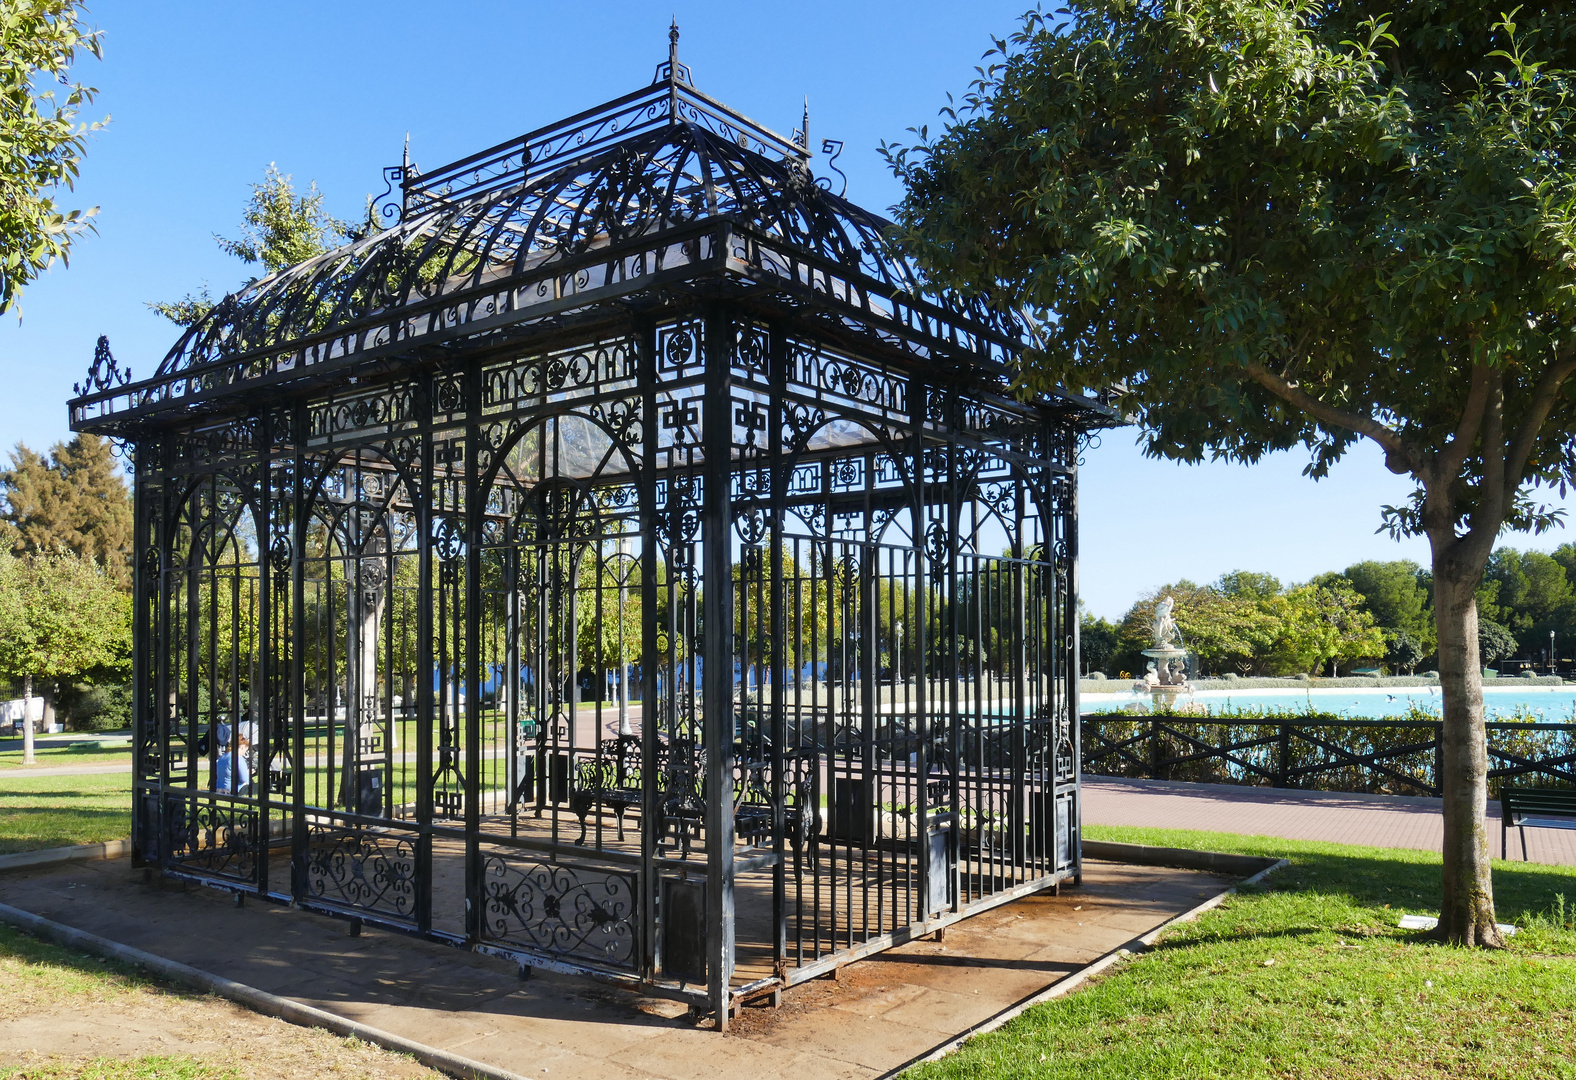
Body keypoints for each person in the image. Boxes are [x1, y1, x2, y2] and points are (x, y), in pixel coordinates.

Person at [215, 723, 253, 795]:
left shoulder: (222, 757)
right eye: (246, 750)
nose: (245, 753)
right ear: (242, 747)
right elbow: (244, 779)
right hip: (233, 790)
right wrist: (248, 772)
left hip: (219, 789)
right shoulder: (238, 758)